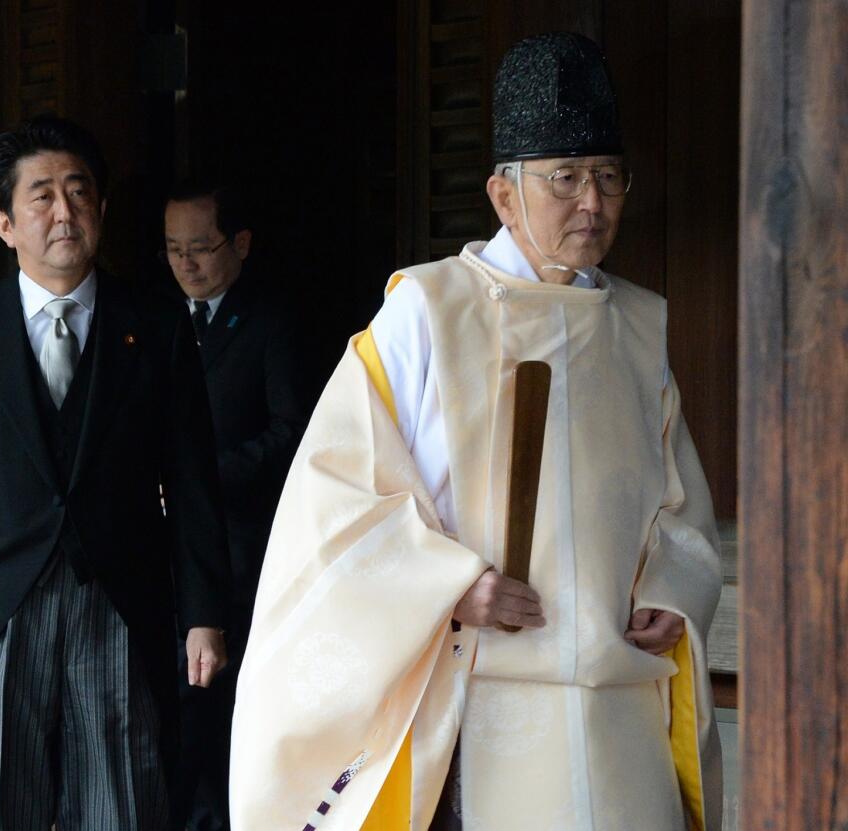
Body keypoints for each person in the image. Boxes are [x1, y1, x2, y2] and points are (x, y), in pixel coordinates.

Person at [229, 32, 723, 831]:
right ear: (503, 194)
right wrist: (452, 583)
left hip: (617, 702)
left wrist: (674, 589)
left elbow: (681, 502)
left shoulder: (637, 326)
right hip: (477, 692)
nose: (592, 203)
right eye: (564, 178)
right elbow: (335, 499)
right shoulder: (426, 311)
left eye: (607, 178)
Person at [0, 113, 233, 830]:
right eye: (40, 195)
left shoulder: (158, 325)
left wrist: (203, 613)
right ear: (4, 223)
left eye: (78, 192)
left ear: (102, 210)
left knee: (124, 806)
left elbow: (193, 478)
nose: (63, 211)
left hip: (120, 602)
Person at [162, 183, 310, 829]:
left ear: (240, 244)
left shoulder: (274, 320)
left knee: (225, 715)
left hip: (244, 547)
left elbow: (292, 432)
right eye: (173, 249)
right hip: (164, 555)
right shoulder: (157, 321)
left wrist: (197, 481)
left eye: (201, 247)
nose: (187, 264)